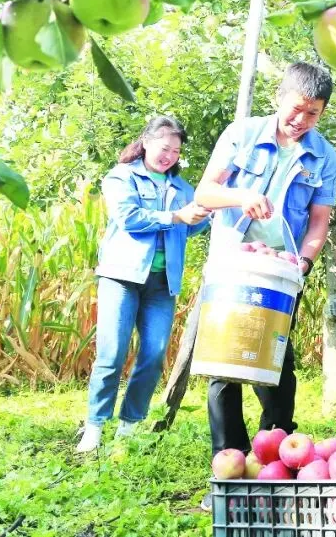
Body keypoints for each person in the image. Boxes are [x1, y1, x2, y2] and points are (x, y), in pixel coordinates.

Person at [194, 62, 336, 509]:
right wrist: (242, 196)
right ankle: (230, 468)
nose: (302, 120)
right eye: (297, 109)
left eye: (313, 113)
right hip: (234, 263)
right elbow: (205, 193)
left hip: (281, 271)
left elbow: (319, 221)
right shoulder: (241, 134)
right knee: (225, 365)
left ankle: (275, 461)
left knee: (276, 363)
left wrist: (304, 262)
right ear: (279, 98)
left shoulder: (324, 156)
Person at [77, 116, 211, 453]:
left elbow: (190, 229)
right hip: (122, 277)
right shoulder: (121, 177)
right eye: (165, 148)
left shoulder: (183, 189)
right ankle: (94, 427)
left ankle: (128, 426)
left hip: (162, 284)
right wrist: (175, 216)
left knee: (153, 354)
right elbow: (129, 218)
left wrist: (205, 215)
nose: (170, 156)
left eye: (176, 152)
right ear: (147, 142)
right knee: (111, 354)